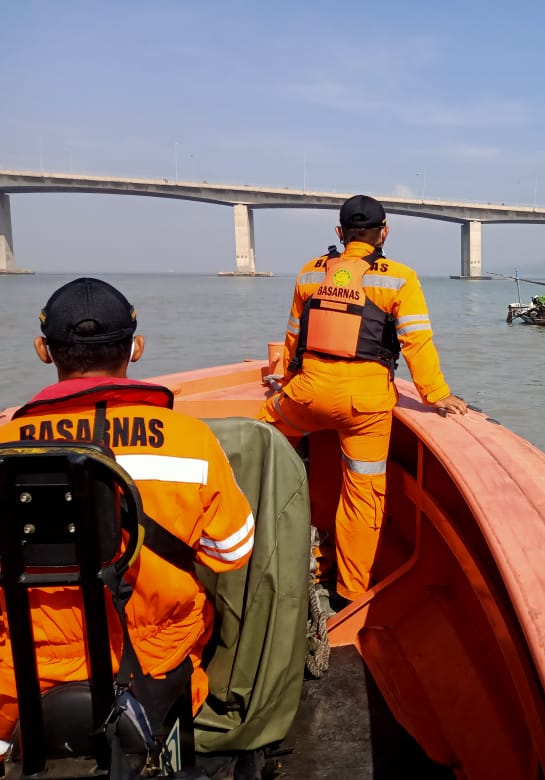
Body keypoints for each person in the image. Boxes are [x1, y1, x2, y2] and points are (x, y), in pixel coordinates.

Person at [0, 277, 255, 751]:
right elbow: (233, 552)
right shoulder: (191, 441)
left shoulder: (4, 448)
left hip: (22, 681)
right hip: (155, 669)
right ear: (136, 348)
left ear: (42, 350)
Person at [259, 194, 467, 605]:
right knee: (363, 495)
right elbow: (416, 343)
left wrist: (286, 382)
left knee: (263, 440)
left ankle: (260, 542)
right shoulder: (399, 278)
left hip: (306, 392)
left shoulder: (309, 273)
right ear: (383, 232)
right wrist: (437, 395)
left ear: (340, 233)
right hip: (366, 405)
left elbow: (294, 337)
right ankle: (348, 595)